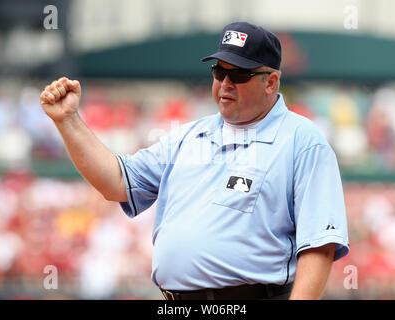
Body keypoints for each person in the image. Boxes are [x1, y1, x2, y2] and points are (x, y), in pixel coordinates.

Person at [40, 21, 349, 300]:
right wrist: (68, 120)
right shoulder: (187, 136)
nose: (225, 82)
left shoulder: (302, 141)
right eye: (219, 71)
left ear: (271, 82)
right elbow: (117, 183)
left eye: (239, 74)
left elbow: (319, 246)